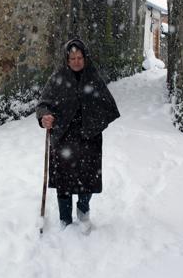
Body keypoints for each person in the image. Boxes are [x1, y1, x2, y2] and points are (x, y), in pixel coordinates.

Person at [36, 38, 120, 232]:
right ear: (66, 60)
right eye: (72, 58)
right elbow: (43, 104)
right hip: (63, 137)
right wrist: (44, 117)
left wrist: (93, 124)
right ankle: (65, 220)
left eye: (79, 57)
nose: (76, 61)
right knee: (63, 182)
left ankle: (83, 211)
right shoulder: (57, 78)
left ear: (85, 58)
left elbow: (109, 107)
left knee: (87, 179)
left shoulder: (93, 78)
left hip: (88, 138)